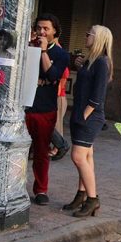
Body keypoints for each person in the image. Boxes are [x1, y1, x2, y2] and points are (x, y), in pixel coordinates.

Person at [63, 25, 113, 217]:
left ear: (98, 38)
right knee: (86, 156)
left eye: (88, 34)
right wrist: (80, 65)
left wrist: (86, 113)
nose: (85, 36)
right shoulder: (92, 61)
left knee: (78, 156)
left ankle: (93, 199)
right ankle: (82, 195)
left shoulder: (102, 62)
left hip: (89, 116)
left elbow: (98, 94)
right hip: (82, 113)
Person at [25, 14, 70, 205]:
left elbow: (52, 75)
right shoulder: (27, 47)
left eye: (46, 29)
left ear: (54, 32)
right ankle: (15, 186)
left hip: (44, 108)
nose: (42, 32)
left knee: (42, 152)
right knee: (18, 150)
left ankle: (41, 189)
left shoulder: (61, 54)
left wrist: (43, 52)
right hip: (24, 106)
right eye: (39, 28)